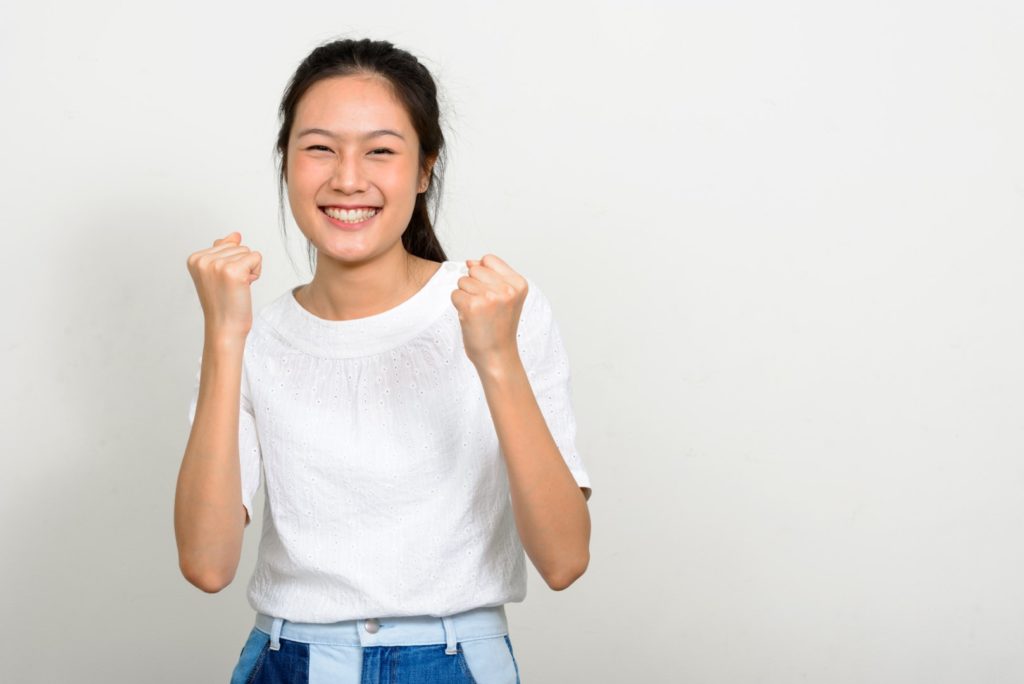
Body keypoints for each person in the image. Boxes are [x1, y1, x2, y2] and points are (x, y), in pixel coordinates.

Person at [175, 37, 593, 683]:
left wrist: (496, 358)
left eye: (380, 150)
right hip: (287, 661)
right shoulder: (250, 333)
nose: (347, 177)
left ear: (425, 169)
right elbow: (206, 565)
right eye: (319, 147)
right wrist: (225, 339)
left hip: (456, 662)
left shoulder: (501, 307)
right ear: (286, 162)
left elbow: (565, 559)